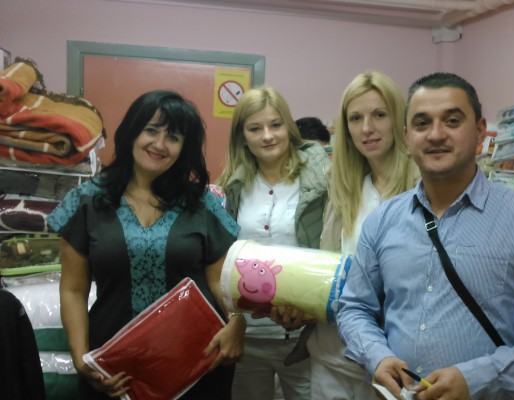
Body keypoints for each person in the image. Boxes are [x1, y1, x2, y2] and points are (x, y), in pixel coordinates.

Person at [336, 72, 514, 400]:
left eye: (452, 121)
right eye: (422, 123)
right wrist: (377, 356)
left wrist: (477, 379)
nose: (436, 134)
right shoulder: (382, 221)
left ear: (480, 131)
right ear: (407, 136)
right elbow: (355, 307)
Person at [47, 90, 245, 399]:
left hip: (197, 362)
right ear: (132, 132)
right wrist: (81, 357)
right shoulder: (86, 201)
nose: (159, 144)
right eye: (151, 130)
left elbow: (221, 280)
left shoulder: (201, 203)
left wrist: (237, 323)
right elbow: (73, 288)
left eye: (173, 137)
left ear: (184, 147)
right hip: (115, 365)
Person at [310, 70, 419, 400]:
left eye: (379, 115)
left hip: (399, 363)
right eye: (355, 118)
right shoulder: (344, 190)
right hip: (334, 356)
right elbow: (331, 270)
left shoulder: (424, 188)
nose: (367, 128)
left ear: (399, 119)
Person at [217, 86, 329, 400]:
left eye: (275, 125)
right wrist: (233, 319)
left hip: (304, 335)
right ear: (242, 136)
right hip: (247, 334)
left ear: (288, 128)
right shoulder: (233, 186)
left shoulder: (320, 180)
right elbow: (224, 259)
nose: (267, 136)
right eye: (255, 128)